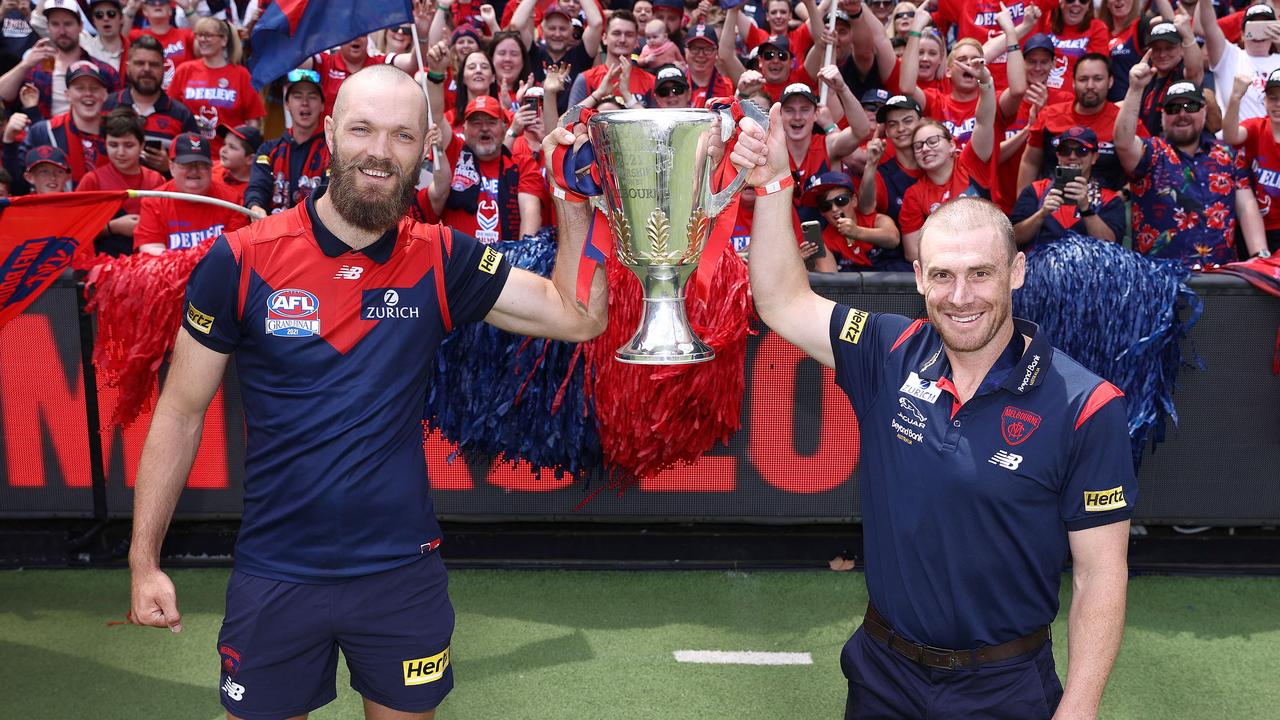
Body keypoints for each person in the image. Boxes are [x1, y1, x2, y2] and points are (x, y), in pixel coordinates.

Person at [128, 63, 606, 720]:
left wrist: (575, 200)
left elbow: (577, 316)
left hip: (399, 576)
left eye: (402, 136)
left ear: (427, 146)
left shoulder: (442, 256)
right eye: (362, 130)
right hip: (275, 573)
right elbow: (180, 413)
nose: (380, 152)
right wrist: (143, 559)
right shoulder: (239, 260)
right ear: (328, 133)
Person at [731, 102, 1135, 720]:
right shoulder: (887, 349)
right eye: (943, 276)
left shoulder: (1088, 405)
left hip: (1006, 689)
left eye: (981, 274)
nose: (961, 296)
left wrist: (1079, 709)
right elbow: (782, 300)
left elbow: (1101, 574)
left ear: (1016, 272)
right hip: (881, 677)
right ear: (918, 276)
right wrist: (775, 183)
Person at [1116, 65, 1269, 266]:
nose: (1182, 114)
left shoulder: (1228, 155)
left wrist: (1260, 256)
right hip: (1161, 282)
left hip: (1221, 281)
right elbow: (1122, 142)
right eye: (1173, 108)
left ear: (1204, 111)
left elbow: (1246, 206)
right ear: (1162, 116)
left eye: (1191, 107)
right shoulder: (1151, 152)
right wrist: (1136, 89)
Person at [1017, 52, 1131, 194]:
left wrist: (1123, 197)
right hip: (1052, 207)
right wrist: (1023, 206)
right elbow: (1030, 162)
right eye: (1083, 79)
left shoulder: (1126, 122)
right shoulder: (1049, 115)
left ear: (1110, 82)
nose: (1090, 86)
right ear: (1073, 83)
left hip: (1105, 210)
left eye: (1098, 79)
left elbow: (1144, 166)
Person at [1011, 125, 1126, 250]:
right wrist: (1041, 214)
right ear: (1058, 156)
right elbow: (1014, 239)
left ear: (1094, 157)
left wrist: (1086, 209)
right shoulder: (1035, 190)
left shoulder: (1109, 199)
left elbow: (1112, 247)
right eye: (1065, 150)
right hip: (1040, 265)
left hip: (1089, 267)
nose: (1072, 156)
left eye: (1081, 151)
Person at [0, 0, 120, 119]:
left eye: (68, 24)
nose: (62, 31)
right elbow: (3, 95)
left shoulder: (102, 70)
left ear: (80, 26)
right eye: (55, 24)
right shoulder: (37, 70)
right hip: (45, 135)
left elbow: (118, 113)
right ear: (48, 27)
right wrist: (24, 65)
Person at [5, 60, 110, 195]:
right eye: (80, 88)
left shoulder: (119, 130)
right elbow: (19, 181)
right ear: (67, 95)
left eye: (94, 88)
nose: (88, 93)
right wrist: (8, 140)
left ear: (105, 94)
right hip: (60, 211)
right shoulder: (45, 131)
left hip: (109, 211)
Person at [133, 132, 248, 254]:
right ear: (171, 167)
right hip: (174, 273)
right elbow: (151, 252)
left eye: (201, 164)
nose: (194, 170)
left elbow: (236, 251)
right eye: (186, 164)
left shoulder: (231, 200)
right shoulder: (154, 201)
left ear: (211, 167)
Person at [102, 34, 198, 175]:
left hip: (162, 193)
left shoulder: (181, 114)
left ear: (164, 69)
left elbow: (193, 167)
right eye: (140, 63)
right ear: (128, 68)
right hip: (115, 192)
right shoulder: (108, 105)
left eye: (154, 64)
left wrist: (169, 166)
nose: (147, 69)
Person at [77, 105, 165, 255]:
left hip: (147, 261)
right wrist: (113, 226)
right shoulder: (92, 180)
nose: (120, 152)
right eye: (113, 145)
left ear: (141, 145)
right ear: (104, 143)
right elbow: (76, 230)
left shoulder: (156, 181)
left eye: (128, 145)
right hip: (104, 263)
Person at [167, 16, 264, 149]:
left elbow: (253, 120)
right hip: (189, 153)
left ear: (224, 40)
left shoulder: (241, 75)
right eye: (199, 35)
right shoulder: (185, 70)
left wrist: (247, 150)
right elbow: (170, 112)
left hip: (226, 157)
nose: (202, 40)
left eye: (208, 35)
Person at [244, 69, 328, 217]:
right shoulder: (267, 150)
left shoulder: (332, 152)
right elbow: (257, 188)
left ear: (322, 105)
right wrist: (255, 206)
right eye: (297, 96)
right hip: (274, 233)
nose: (305, 103)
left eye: (312, 96)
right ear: (287, 104)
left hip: (315, 236)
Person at [1223, 68, 1280, 254]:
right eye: (1273, 98)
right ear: (1264, 101)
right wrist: (1236, 97)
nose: (1278, 104)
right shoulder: (1257, 127)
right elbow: (1230, 136)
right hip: (1255, 227)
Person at [1199, 0, 1280, 123]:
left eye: (1265, 28)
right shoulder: (1228, 56)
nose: (1258, 34)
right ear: (1242, 34)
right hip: (1237, 137)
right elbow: (1209, 25)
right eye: (1252, 27)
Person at [803, 170, 898, 270]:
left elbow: (893, 238)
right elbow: (830, 276)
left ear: (854, 201)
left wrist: (856, 232)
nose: (834, 209)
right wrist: (809, 265)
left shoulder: (876, 220)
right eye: (825, 206)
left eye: (840, 200)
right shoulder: (824, 242)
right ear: (821, 212)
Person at [126, 0, 195, 90]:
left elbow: (208, 35)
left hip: (181, 95)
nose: (157, 4)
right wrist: (131, 9)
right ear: (144, 11)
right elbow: (118, 40)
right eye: (151, 2)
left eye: (163, 1)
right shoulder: (135, 36)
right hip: (147, 92)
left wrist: (188, 8)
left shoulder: (185, 34)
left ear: (170, 10)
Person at [213, 122, 261, 199]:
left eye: (232, 147)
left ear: (250, 159)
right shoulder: (211, 168)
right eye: (224, 144)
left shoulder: (254, 193)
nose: (224, 150)